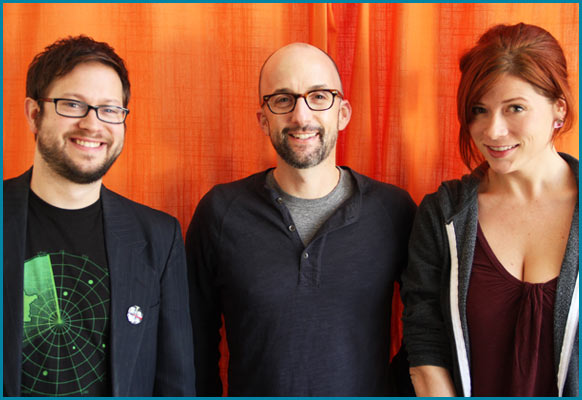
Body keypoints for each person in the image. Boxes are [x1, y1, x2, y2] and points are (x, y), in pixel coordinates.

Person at [185, 42, 416, 396]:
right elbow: (194, 342)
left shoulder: (394, 211)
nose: (301, 116)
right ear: (263, 118)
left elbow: (430, 325)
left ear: (343, 112)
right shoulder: (219, 212)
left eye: (319, 96)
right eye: (283, 99)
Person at [3, 35, 196, 396]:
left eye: (109, 109)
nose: (93, 125)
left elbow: (176, 383)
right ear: (34, 114)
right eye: (72, 104)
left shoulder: (159, 237)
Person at [401, 23, 578, 397]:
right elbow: (425, 342)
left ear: (558, 109)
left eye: (515, 108)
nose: (493, 131)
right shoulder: (443, 214)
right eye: (479, 110)